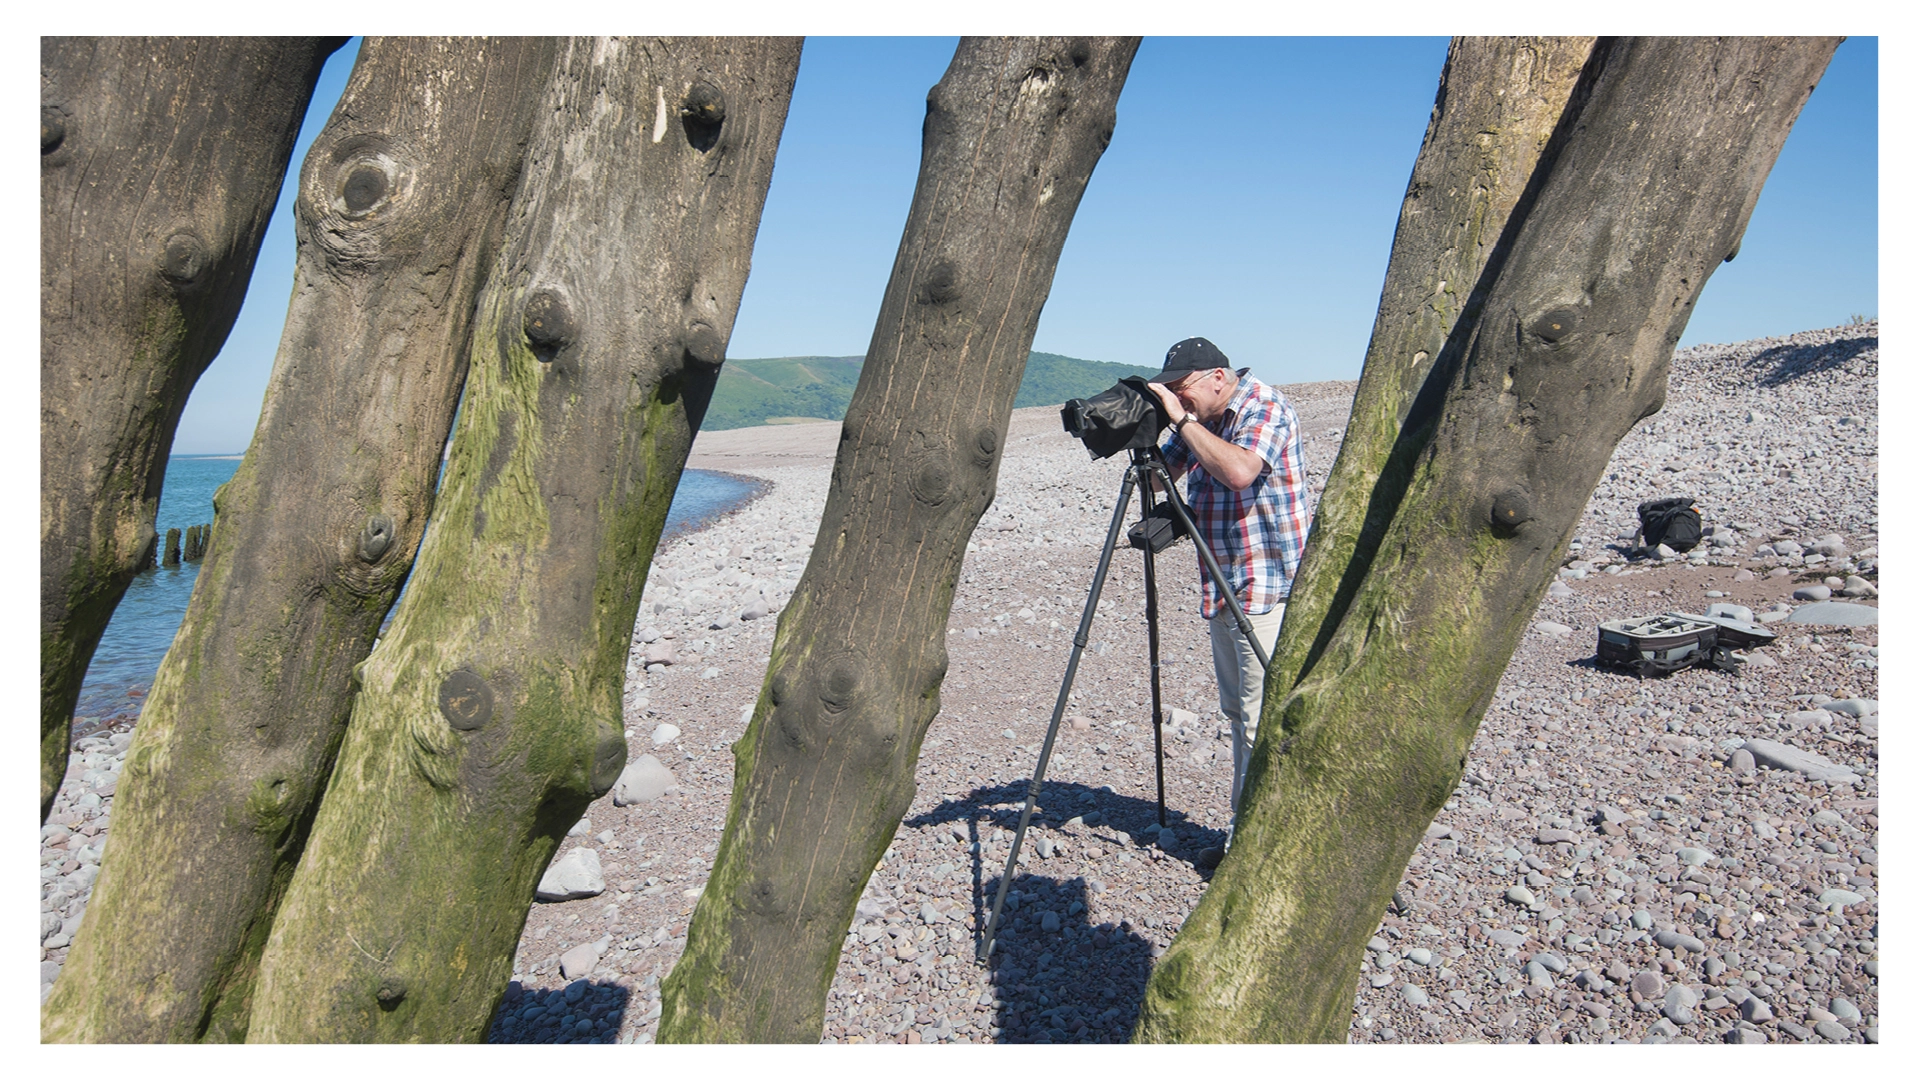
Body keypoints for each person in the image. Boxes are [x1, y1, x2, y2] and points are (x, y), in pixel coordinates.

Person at [1144, 337, 1312, 864]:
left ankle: (1252, 850)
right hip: (1223, 585)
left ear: (1218, 376)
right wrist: (1142, 428)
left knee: (1261, 719)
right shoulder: (1202, 417)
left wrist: (1181, 420)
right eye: (1171, 392)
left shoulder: (1264, 406)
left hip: (1269, 588)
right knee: (1239, 713)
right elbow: (1158, 479)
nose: (1179, 399)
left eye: (1182, 388)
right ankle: (1254, 831)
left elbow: (1239, 472)